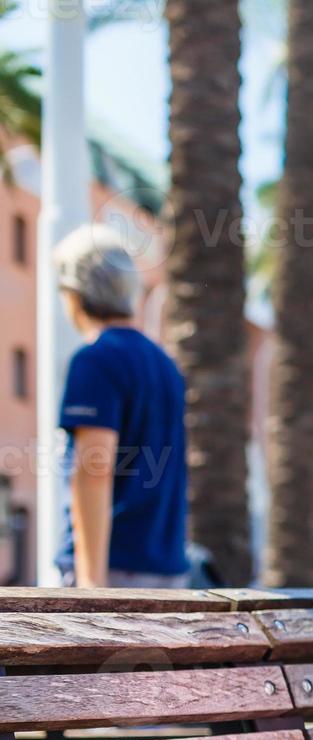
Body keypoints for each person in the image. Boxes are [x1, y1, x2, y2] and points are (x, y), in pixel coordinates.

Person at [52, 224, 188, 589]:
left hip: (112, 571)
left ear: (76, 294)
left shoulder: (95, 360)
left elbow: (93, 471)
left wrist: (89, 587)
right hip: (168, 570)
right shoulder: (165, 365)